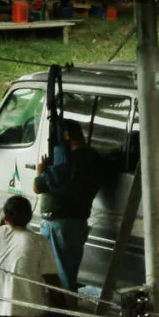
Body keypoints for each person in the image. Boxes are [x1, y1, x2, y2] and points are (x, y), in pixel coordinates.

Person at [34, 121, 109, 290]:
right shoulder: (93, 158)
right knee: (68, 271)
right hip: (78, 220)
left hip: (60, 223)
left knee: (58, 275)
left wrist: (41, 170)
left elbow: (38, 186)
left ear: (67, 137)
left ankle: (64, 311)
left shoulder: (68, 161)